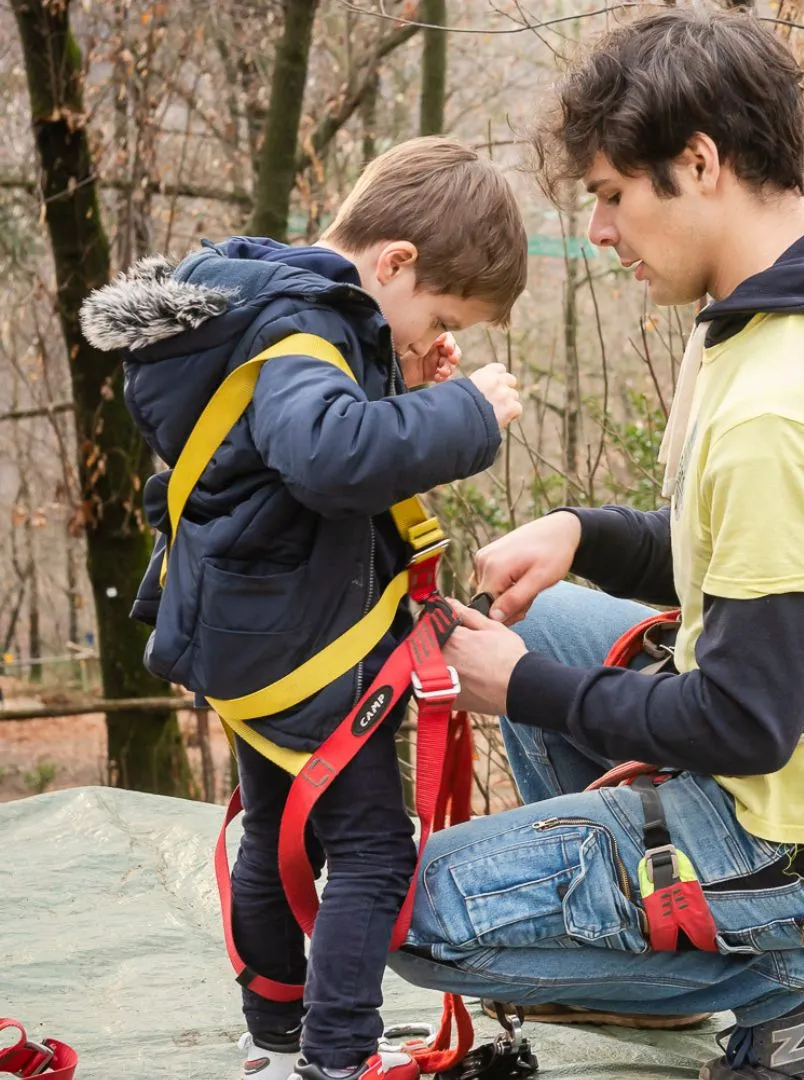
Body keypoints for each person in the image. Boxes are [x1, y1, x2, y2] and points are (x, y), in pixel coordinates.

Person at [387, 11, 804, 1080]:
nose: (600, 231)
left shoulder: (779, 408)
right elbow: (755, 561)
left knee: (414, 911)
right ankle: (678, 961)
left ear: (698, 162)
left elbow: (742, 722)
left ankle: (786, 975)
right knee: (554, 615)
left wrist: (518, 688)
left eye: (611, 195)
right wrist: (583, 533)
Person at [79, 137, 528, 1080]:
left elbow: (280, 456)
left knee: (277, 821)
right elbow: (329, 457)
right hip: (306, 650)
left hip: (254, 636)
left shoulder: (269, 307)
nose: (432, 331)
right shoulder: (305, 333)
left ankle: (274, 1037)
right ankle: (335, 1057)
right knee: (370, 848)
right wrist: (469, 415)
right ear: (395, 262)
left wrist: (398, 381)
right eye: (438, 314)